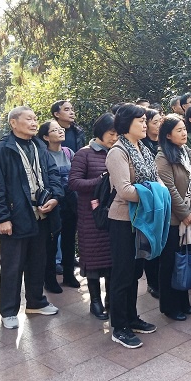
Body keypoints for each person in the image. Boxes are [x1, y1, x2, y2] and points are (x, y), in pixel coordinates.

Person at [0, 106, 63, 330]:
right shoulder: (2, 150)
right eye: (28, 119)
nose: (34, 122)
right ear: (13, 123)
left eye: (35, 118)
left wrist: (55, 197)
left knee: (38, 261)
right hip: (15, 216)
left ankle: (36, 302)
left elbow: (53, 174)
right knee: (12, 266)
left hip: (42, 214)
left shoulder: (40, 146)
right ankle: (9, 311)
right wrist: (2, 218)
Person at [106, 103, 159, 348]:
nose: (145, 125)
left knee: (136, 271)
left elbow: (156, 179)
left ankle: (132, 317)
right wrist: (155, 194)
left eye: (146, 121)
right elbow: (125, 190)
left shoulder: (143, 148)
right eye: (141, 121)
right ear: (127, 124)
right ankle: (119, 326)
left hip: (141, 219)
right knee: (122, 273)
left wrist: (155, 190)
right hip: (123, 221)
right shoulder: (117, 152)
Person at [68, 113, 118, 320]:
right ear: (100, 132)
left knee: (112, 260)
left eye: (117, 134)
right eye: (111, 133)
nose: (114, 138)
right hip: (91, 217)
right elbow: (74, 182)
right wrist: (101, 181)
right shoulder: (84, 154)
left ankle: (111, 300)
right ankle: (95, 302)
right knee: (93, 260)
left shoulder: (118, 152)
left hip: (114, 214)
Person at [155, 115, 191, 321]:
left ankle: (183, 301)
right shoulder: (162, 157)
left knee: (184, 258)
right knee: (170, 262)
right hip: (172, 219)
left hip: (190, 217)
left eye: (184, 129)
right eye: (179, 130)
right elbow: (169, 189)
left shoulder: (188, 152)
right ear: (168, 135)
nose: (184, 133)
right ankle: (169, 306)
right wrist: (184, 214)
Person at [38, 120, 80, 291]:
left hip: (70, 203)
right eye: (55, 130)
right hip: (53, 203)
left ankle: (69, 274)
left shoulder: (69, 152)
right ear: (46, 137)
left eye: (60, 129)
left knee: (69, 240)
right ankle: (49, 279)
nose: (61, 131)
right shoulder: (42, 155)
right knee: (51, 242)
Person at [142, 108, 163, 299]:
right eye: (154, 122)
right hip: (149, 200)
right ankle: (152, 283)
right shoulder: (142, 146)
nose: (158, 125)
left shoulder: (163, 142)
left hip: (163, 198)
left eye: (160, 121)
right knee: (150, 242)